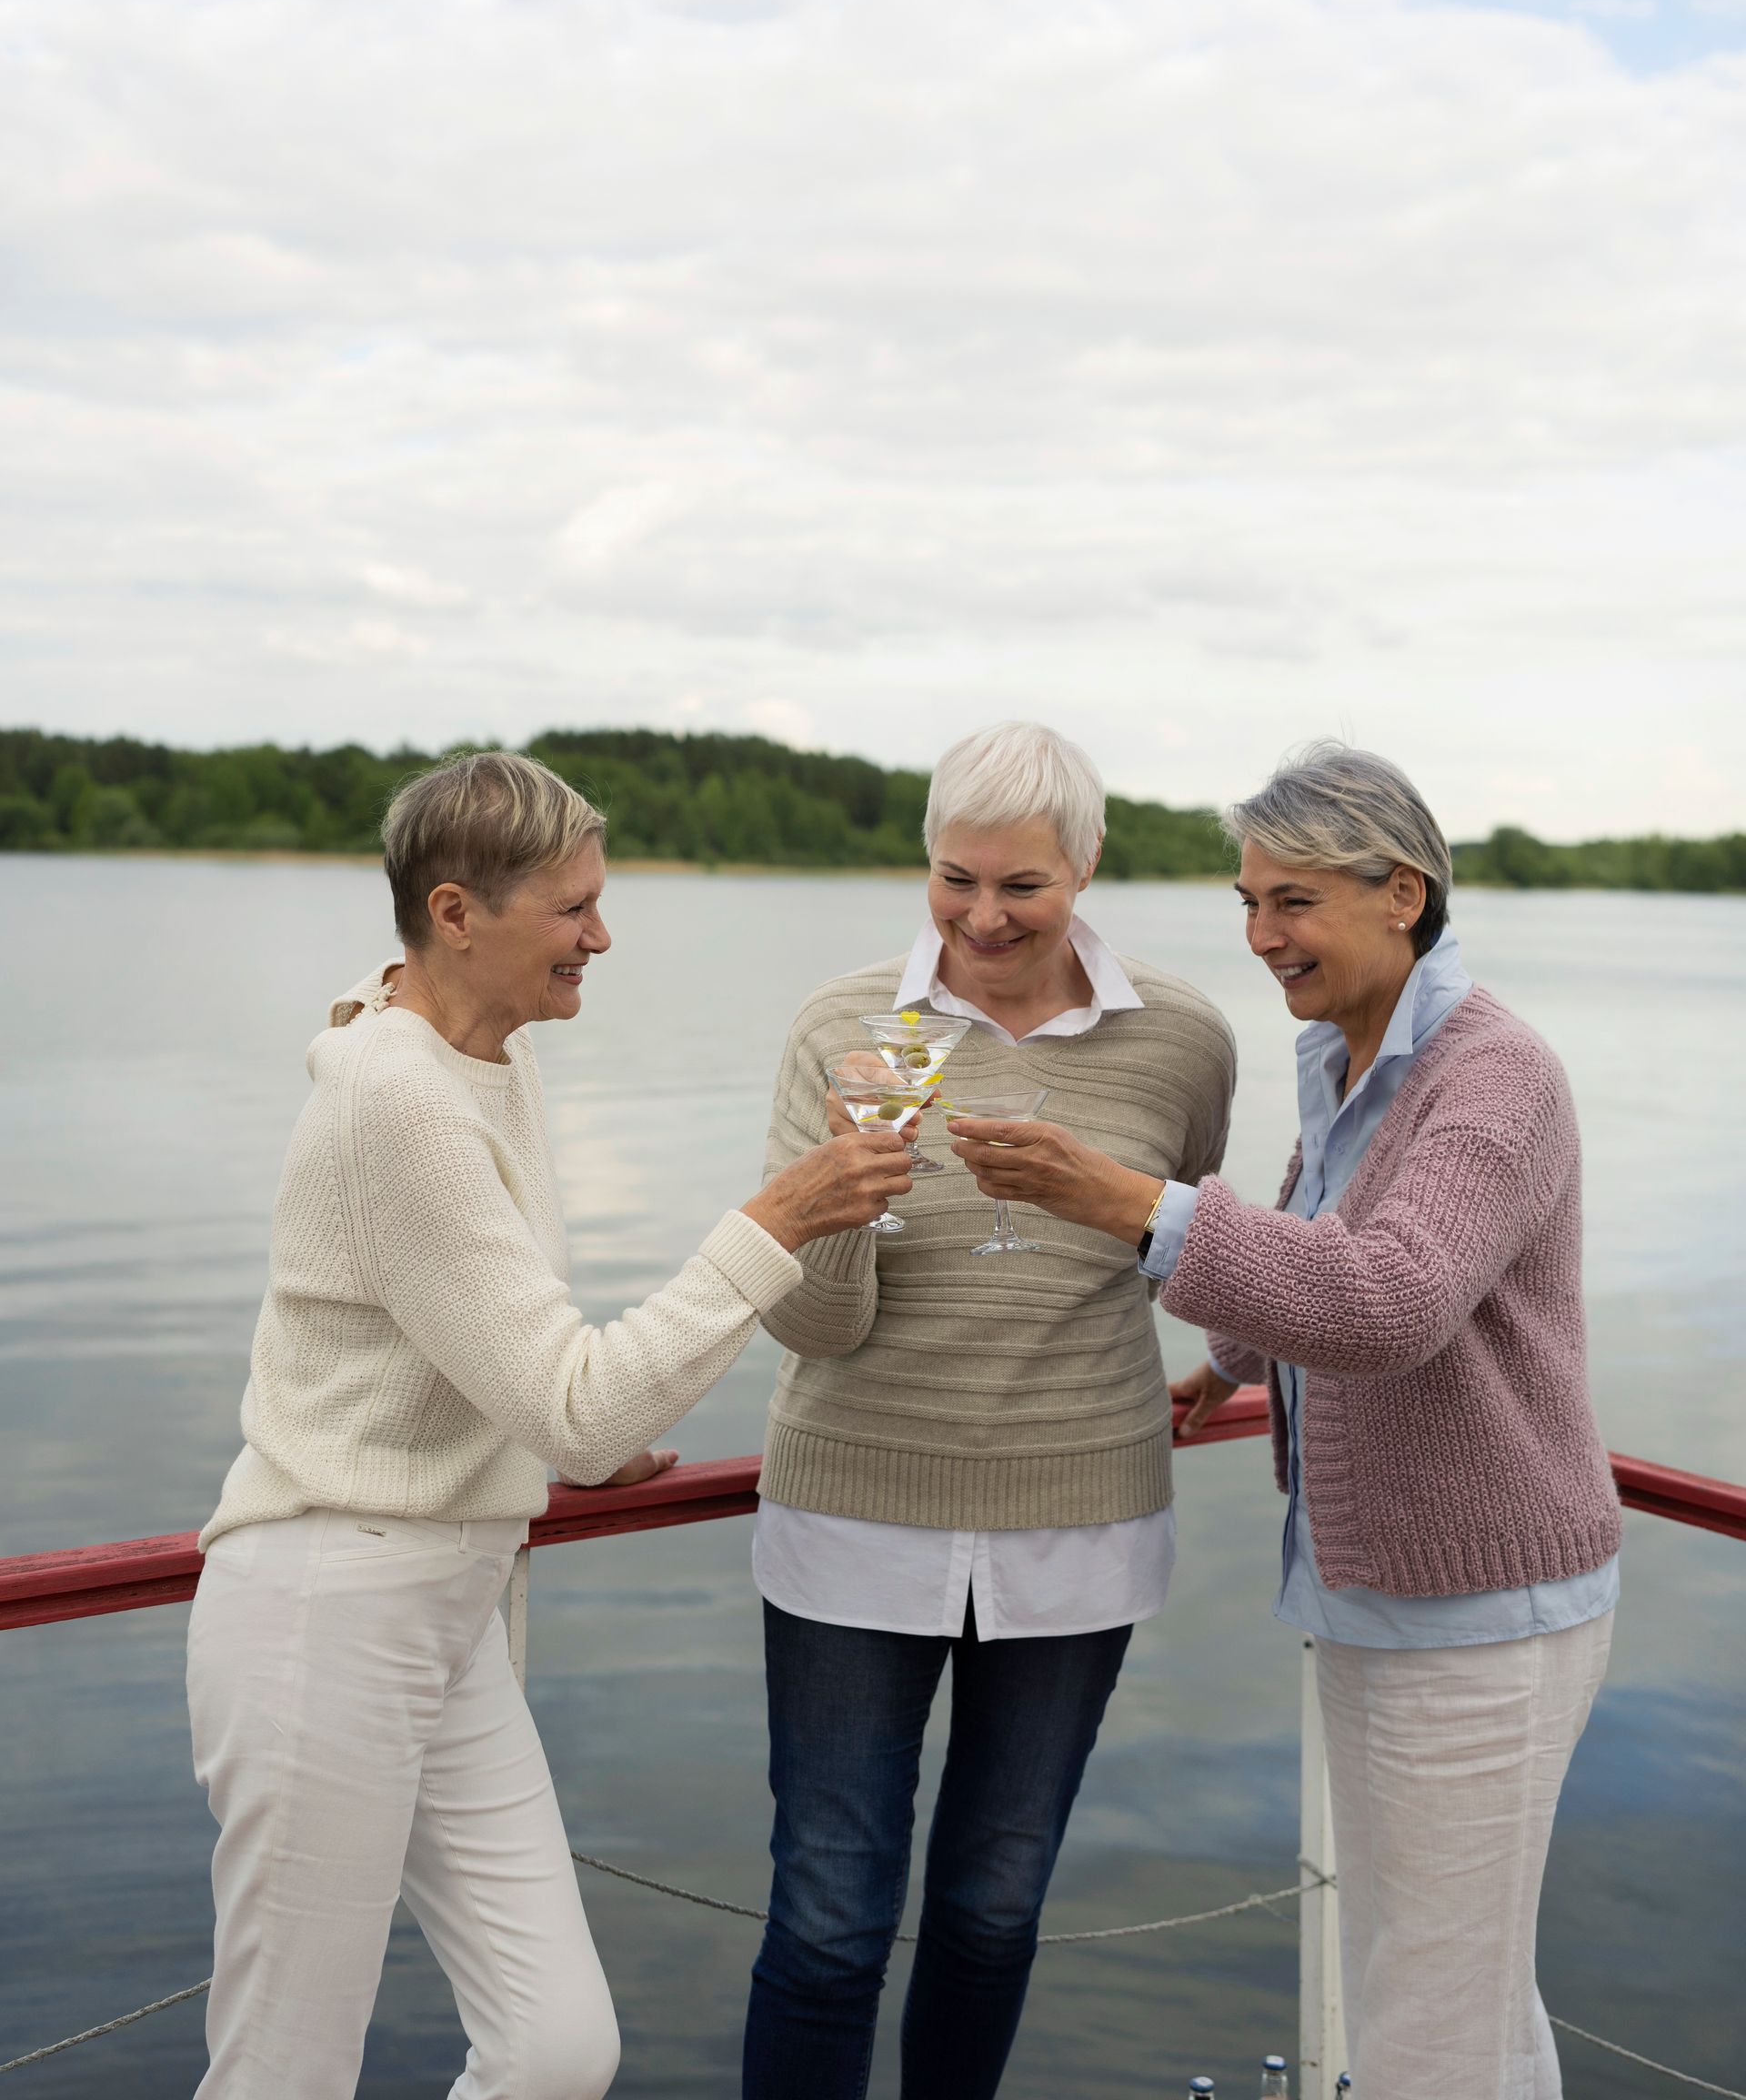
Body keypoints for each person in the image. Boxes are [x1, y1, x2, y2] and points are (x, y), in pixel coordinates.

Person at [186, 750, 908, 2100]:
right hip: (329, 1609)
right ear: (456, 914)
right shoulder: (398, 1098)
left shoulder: (479, 1051)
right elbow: (580, 1415)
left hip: (446, 1604)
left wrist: (539, 1431)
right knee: (284, 2071)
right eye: (573, 909)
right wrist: (779, 1221)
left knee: (558, 2048)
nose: (603, 936)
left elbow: (519, 1371)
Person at [948, 741, 1621, 2100]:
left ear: (1403, 896)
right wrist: (1236, 1360)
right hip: (1376, 1590)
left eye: (1293, 903)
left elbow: (1391, 1299)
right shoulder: (1342, 1051)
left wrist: (1133, 1203)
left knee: (1432, 2012)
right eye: (1247, 903)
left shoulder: (1495, 1077)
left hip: (1487, 1607)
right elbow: (1320, 1228)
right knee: (1448, 1983)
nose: (1262, 937)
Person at [741, 720, 1237, 2100]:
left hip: (1079, 1524)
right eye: (955, 879)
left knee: (995, 1909)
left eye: (1023, 886)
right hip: (854, 1520)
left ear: (1087, 866)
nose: (982, 916)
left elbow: (1181, 1241)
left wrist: (1219, 1338)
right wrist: (848, 1187)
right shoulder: (849, 1029)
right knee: (831, 1921)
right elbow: (814, 1325)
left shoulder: (1182, 1040)